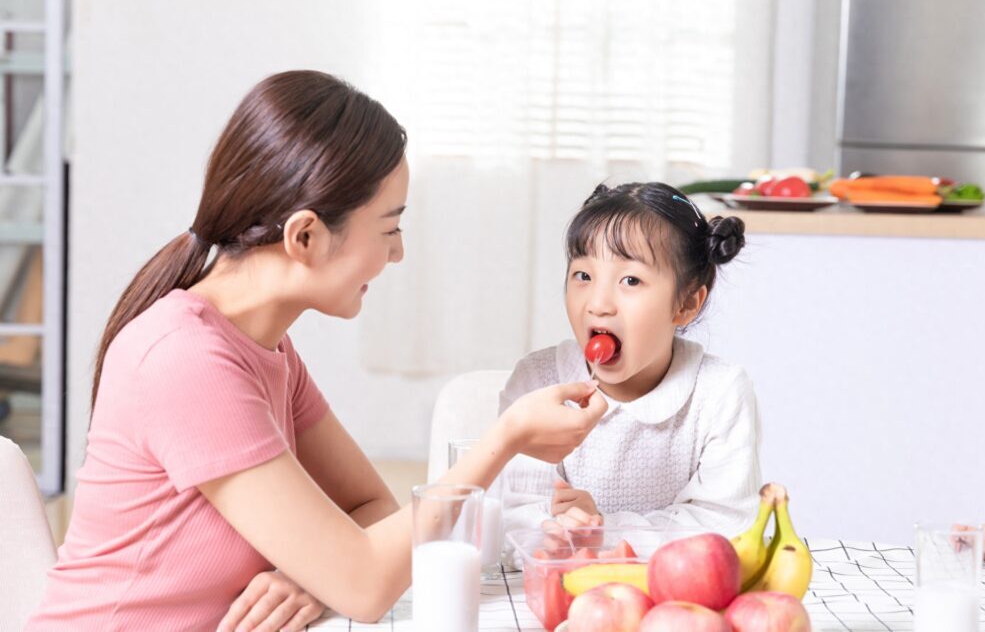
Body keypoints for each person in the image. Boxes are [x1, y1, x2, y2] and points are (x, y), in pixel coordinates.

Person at [26, 71, 608, 631]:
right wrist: (503, 439)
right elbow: (365, 585)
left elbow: (371, 507)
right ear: (304, 236)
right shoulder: (187, 360)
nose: (397, 254)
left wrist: (307, 575)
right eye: (388, 229)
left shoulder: (266, 347)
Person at [499, 181, 761, 538]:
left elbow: (727, 523)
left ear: (686, 304)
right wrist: (559, 527)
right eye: (583, 276)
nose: (598, 303)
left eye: (631, 280)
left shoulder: (719, 393)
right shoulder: (537, 381)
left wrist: (607, 529)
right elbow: (509, 513)